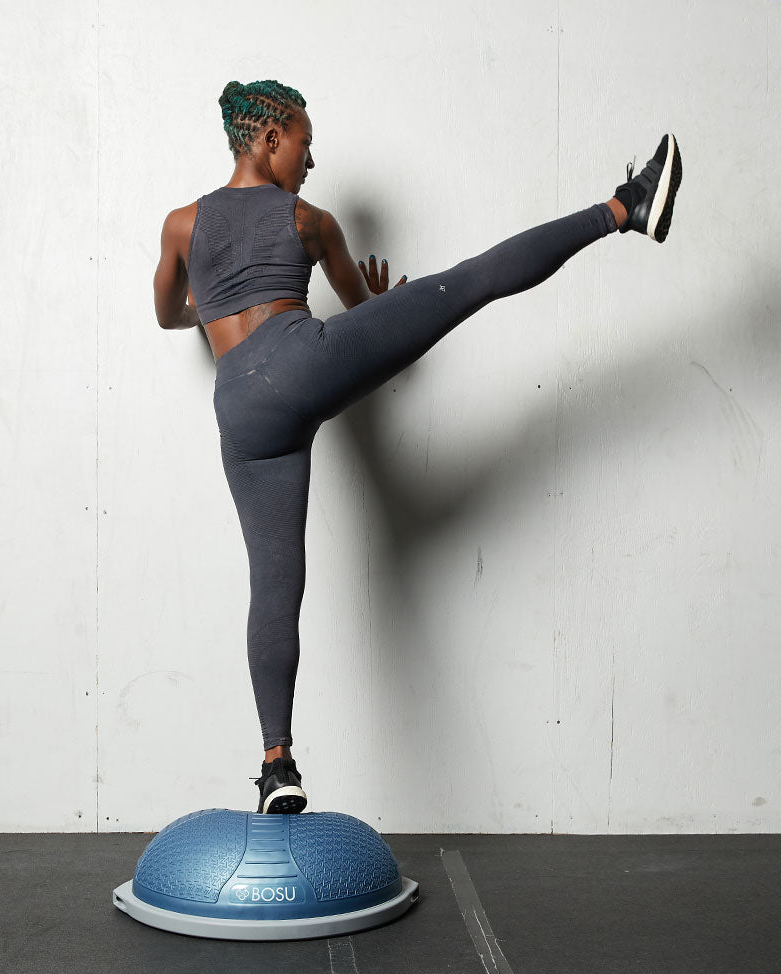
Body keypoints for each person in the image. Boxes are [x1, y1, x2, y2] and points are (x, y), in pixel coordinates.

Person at [153, 79, 682, 814]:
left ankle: (277, 763)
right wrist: (388, 302)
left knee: (273, 588)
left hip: (241, 411)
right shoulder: (309, 221)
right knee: (466, 284)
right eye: (304, 142)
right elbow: (363, 314)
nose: (311, 159)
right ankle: (625, 206)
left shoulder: (181, 224)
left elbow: (169, 314)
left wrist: (213, 312)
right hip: (302, 363)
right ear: (270, 140)